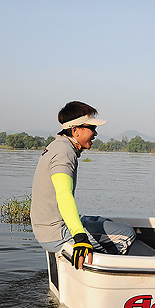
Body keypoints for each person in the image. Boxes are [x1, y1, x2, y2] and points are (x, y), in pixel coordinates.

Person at [30, 101, 135, 269]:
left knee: (107, 222)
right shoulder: (64, 153)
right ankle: (101, 278)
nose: (95, 133)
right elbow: (63, 194)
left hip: (48, 228)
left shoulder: (58, 145)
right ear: (75, 130)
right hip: (56, 232)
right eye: (91, 128)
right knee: (126, 235)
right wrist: (80, 237)